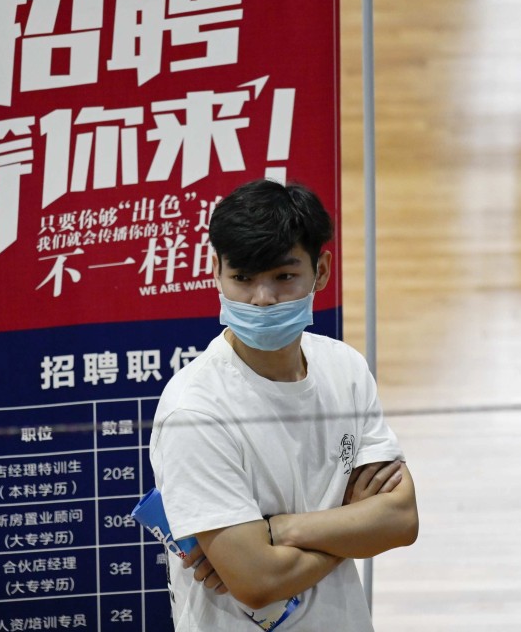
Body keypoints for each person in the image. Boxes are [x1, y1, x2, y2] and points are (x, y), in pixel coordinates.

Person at [150, 179, 418, 631]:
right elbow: (257, 580)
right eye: (242, 278)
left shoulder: (345, 369)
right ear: (215, 270)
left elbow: (400, 520)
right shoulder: (193, 413)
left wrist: (278, 530)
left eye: (284, 277)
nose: (262, 299)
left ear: (322, 271)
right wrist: (349, 525)